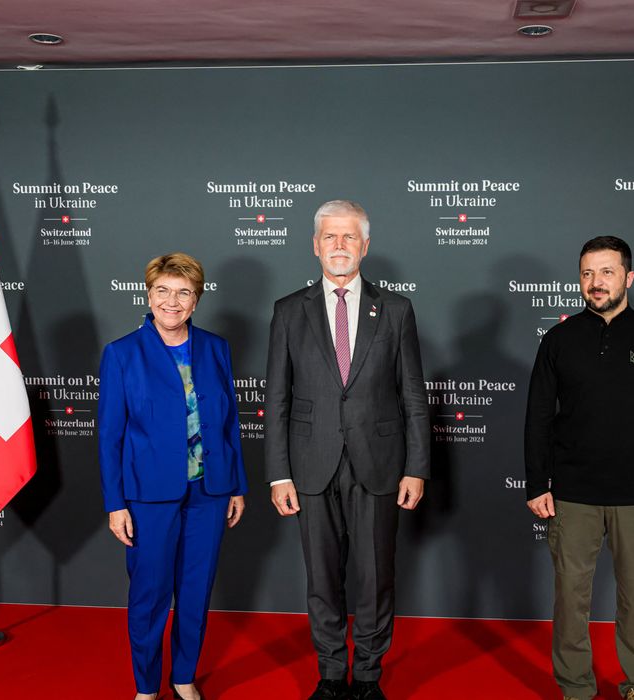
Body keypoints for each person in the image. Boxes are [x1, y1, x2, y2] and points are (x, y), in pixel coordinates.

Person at [265, 200, 430, 700]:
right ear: (316, 245)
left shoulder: (396, 309)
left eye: (349, 237)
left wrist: (416, 467)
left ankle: (369, 676)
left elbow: (413, 396)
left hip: (380, 465)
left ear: (365, 245)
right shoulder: (288, 310)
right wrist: (278, 474)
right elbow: (276, 398)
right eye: (330, 237)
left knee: (376, 577)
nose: (339, 246)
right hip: (310, 466)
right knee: (321, 581)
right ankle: (332, 674)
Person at [523, 236, 634, 700]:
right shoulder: (557, 340)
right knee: (570, 601)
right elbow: (537, 417)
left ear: (628, 277)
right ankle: (575, 688)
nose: (596, 283)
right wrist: (538, 483)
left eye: (607, 272)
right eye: (587, 274)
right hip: (572, 494)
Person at [99, 252, 248, 700]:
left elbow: (229, 424)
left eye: (183, 293)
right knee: (149, 594)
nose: (172, 301)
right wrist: (115, 502)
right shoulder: (122, 354)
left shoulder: (216, 348)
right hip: (147, 497)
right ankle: (147, 686)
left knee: (196, 590)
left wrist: (236, 484)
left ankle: (183, 676)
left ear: (196, 300)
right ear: (148, 294)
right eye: (162, 291)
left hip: (210, 491)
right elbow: (109, 436)